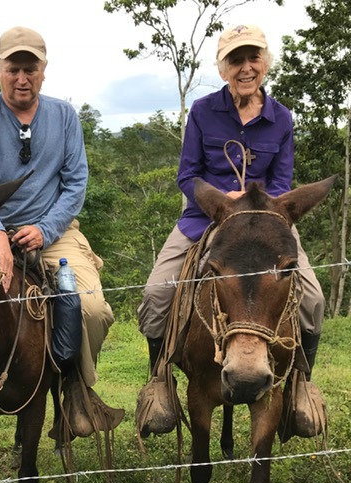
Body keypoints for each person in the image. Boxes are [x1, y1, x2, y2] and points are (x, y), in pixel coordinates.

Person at [137, 24, 326, 437]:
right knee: (156, 293)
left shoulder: (282, 118)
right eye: (236, 60)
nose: (246, 67)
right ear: (223, 68)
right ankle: (160, 381)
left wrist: (256, 205)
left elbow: (282, 182)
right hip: (206, 218)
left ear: (265, 63)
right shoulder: (204, 111)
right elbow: (187, 176)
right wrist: (225, 199)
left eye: (253, 58)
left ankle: (299, 385)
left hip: (268, 224)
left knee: (313, 299)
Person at [0, 26, 124, 436]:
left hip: (54, 230)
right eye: (13, 68)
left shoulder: (64, 116)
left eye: (30, 68)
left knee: (94, 309)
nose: (21, 77)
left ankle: (75, 389)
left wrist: (45, 229)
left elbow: (75, 182)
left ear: (44, 70)